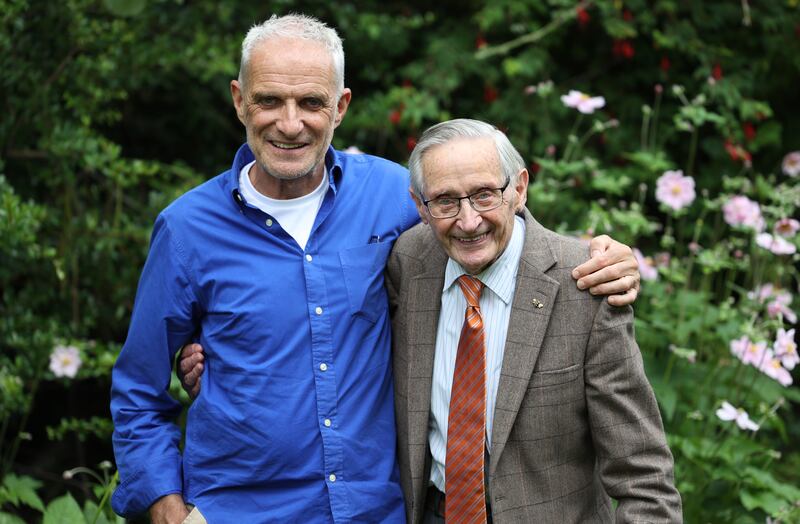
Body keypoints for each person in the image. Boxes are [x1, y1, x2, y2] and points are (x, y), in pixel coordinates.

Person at [112, 14, 641, 524]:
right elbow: (138, 390)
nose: (290, 122)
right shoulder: (186, 230)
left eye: (311, 102)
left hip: (377, 510)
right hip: (241, 509)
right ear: (239, 101)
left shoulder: (392, 196)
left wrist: (599, 260)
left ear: (340, 107)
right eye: (269, 100)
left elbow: (485, 220)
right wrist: (167, 508)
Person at [385, 119, 681, 523]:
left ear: (519, 188)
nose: (468, 221)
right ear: (421, 206)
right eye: (445, 201)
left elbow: (643, 477)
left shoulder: (585, 285)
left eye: (485, 195)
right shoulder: (408, 263)